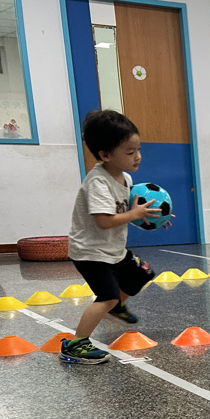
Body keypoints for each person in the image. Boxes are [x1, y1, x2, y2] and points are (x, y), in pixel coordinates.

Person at [60, 109, 160, 364]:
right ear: (105, 155)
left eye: (138, 149)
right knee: (107, 296)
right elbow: (104, 221)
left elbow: (126, 212)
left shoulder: (125, 178)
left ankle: (116, 307)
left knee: (142, 274)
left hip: (113, 250)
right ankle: (75, 344)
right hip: (91, 252)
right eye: (130, 152)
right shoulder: (98, 183)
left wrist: (149, 217)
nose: (137, 157)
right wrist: (134, 213)